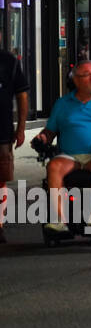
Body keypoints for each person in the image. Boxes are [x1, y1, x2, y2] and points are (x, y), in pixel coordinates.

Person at [34, 61, 91, 234]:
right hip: (70, 156)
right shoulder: (62, 104)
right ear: (76, 80)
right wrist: (43, 137)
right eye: (88, 74)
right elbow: (50, 131)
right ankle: (60, 220)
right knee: (53, 166)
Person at [0, 45, 29, 243]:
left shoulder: (8, 61)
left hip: (2, 132)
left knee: (0, 179)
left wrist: (21, 129)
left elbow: (22, 96)